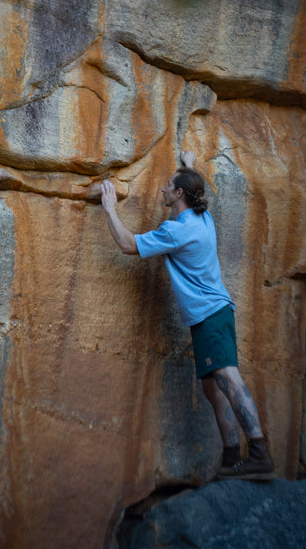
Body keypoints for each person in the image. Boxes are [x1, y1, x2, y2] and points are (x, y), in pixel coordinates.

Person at [100, 150, 275, 481]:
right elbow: (195, 186)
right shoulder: (200, 216)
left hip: (210, 316)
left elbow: (127, 244)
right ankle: (230, 458)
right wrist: (188, 164)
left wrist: (110, 209)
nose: (163, 188)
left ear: (179, 194)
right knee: (213, 388)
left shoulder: (177, 231)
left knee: (228, 379)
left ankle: (260, 453)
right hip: (213, 314)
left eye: (169, 185)